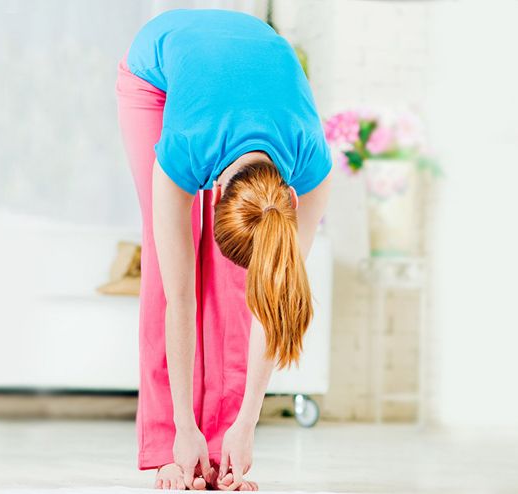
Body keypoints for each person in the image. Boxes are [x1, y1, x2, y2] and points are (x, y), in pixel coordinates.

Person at [115, 8, 332, 491]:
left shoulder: (313, 168)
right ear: (211, 187)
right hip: (156, 76)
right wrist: (182, 426)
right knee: (168, 264)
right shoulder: (185, 153)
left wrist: (246, 425)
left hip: (245, 62)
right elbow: (180, 300)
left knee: (237, 284)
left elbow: (270, 304)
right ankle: (171, 447)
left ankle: (221, 451)